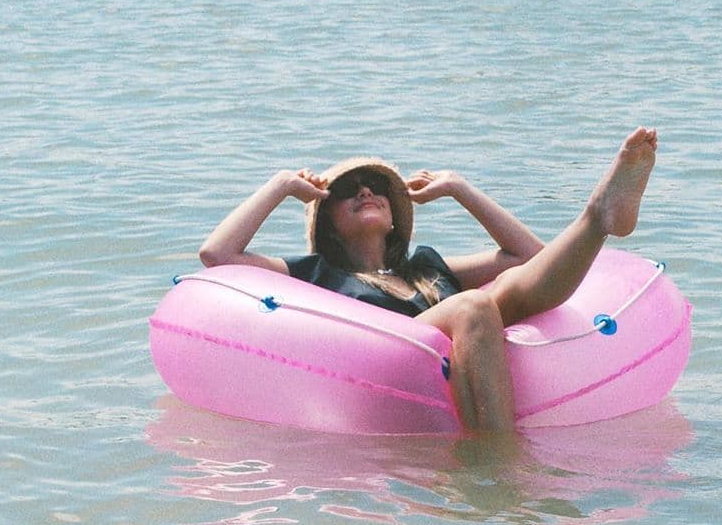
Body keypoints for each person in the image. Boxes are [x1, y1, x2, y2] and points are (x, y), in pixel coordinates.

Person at [199, 128, 658, 434]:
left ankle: (599, 217)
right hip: (389, 361)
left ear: (397, 216)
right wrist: (281, 185)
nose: (364, 192)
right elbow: (218, 256)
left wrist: (460, 188)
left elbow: (532, 259)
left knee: (505, 288)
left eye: (376, 187)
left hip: (459, 335)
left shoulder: (426, 265)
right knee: (474, 306)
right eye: (345, 190)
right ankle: (497, 457)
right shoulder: (315, 274)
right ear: (327, 222)